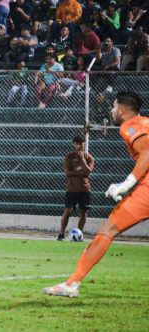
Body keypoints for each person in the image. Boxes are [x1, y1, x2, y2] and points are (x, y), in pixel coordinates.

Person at [44, 92, 149, 298]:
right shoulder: (145, 122)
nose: (111, 110)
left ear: (122, 110)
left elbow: (147, 153)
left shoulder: (131, 125)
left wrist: (126, 184)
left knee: (107, 229)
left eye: (113, 106)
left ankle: (72, 283)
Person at [57, 135, 95, 241]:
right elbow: (68, 173)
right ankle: (61, 234)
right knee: (68, 210)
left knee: (83, 212)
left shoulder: (89, 157)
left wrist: (82, 159)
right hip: (71, 189)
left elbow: (88, 172)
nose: (79, 145)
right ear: (74, 144)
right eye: (77, 143)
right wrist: (81, 173)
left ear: (84, 144)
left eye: (81, 143)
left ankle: (79, 234)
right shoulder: (69, 157)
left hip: (85, 189)